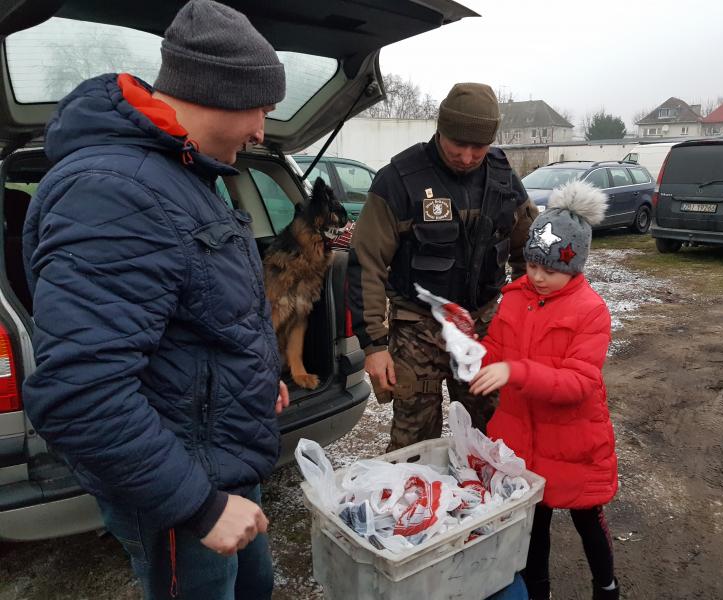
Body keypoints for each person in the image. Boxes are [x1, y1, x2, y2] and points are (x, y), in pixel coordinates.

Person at [22, 1, 288, 598]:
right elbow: (81, 393)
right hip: (177, 490)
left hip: (218, 460)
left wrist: (252, 377)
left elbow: (194, 316)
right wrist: (198, 507)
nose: (261, 132)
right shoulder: (116, 192)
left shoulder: (182, 175)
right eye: (262, 110)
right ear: (223, 91)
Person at [347, 82, 536, 451]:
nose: (466, 157)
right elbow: (366, 263)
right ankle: (416, 503)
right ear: (440, 129)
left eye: (477, 148)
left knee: (492, 433)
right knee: (414, 440)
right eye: (457, 145)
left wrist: (528, 321)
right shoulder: (398, 180)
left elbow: (528, 254)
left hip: (482, 327)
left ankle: (486, 506)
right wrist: (373, 345)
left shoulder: (503, 178)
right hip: (418, 328)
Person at [469, 180, 621, 600]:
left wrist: (513, 371)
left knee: (588, 517)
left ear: (574, 266)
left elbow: (578, 383)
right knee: (533, 523)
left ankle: (606, 586)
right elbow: (496, 349)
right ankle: (539, 592)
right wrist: (471, 353)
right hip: (523, 439)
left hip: (573, 439)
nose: (536, 276)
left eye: (549, 270)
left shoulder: (590, 311)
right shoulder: (516, 298)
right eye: (532, 264)